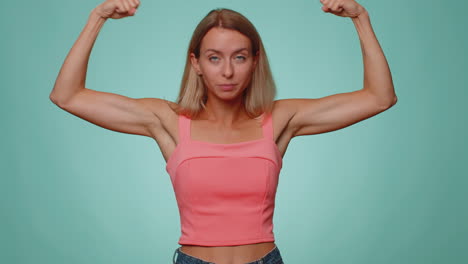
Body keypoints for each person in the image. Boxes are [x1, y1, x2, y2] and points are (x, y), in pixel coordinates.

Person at [49, 0, 397, 263]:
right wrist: (97, 18)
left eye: (239, 57)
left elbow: (379, 98)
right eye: (214, 58)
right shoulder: (168, 120)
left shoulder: (279, 119)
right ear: (196, 63)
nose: (227, 71)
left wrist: (360, 19)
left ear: (255, 60)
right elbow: (67, 95)